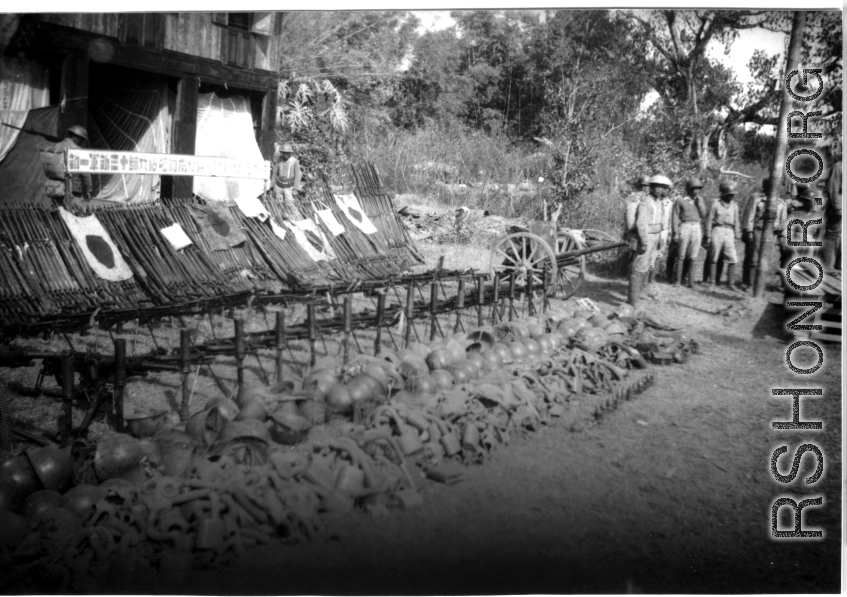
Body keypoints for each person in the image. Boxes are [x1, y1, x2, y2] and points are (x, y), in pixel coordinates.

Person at [627, 175, 670, 307]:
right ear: (650, 187)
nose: (659, 190)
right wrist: (644, 241)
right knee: (639, 268)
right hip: (646, 236)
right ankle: (632, 301)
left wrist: (661, 241)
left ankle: (638, 296)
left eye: (662, 187)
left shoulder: (660, 202)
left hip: (656, 237)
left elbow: (662, 222)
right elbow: (641, 223)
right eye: (656, 186)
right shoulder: (645, 201)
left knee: (647, 266)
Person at [741, 178, 788, 290]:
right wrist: (749, 231)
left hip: (772, 234)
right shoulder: (757, 199)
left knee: (766, 260)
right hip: (758, 230)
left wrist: (781, 235)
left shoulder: (781, 203)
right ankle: (750, 284)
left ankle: (760, 284)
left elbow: (784, 221)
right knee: (754, 259)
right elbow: (750, 216)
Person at [704, 180, 742, 289]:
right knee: (714, 257)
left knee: (733, 258)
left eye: (732, 195)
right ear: (723, 194)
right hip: (717, 230)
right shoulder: (715, 204)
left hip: (729, 231)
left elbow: (737, 221)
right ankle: (712, 283)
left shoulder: (734, 205)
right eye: (729, 195)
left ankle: (731, 284)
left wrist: (737, 234)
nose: (731, 197)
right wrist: (708, 236)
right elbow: (709, 220)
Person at [671, 178, 707, 287]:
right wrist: (675, 232)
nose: (696, 191)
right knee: (681, 255)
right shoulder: (680, 199)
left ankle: (690, 282)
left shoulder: (700, 200)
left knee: (693, 255)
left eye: (698, 189)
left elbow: (704, 215)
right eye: (693, 189)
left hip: (696, 227)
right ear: (688, 189)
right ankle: (677, 280)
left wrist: (699, 204)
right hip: (684, 226)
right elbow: (675, 216)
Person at [47, 125, 93, 203]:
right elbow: (85, 173)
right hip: (72, 188)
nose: (82, 142)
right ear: (77, 138)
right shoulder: (78, 150)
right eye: (82, 139)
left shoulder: (56, 146)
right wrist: (89, 189)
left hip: (56, 187)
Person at [271, 143, 303, 218]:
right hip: (279, 186)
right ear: (281, 152)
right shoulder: (279, 161)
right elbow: (274, 173)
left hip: (289, 186)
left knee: (289, 202)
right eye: (284, 153)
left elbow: (298, 176)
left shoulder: (294, 162)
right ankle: (284, 217)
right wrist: (272, 186)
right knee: (279, 202)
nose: (286, 155)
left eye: (288, 153)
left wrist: (296, 188)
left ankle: (298, 218)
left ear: (290, 153)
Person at [821, 156, 841, 269]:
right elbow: (833, 187)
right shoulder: (839, 166)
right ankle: (825, 265)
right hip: (838, 204)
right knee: (832, 234)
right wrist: (838, 207)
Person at [624, 175, 650, 253]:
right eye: (644, 186)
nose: (646, 188)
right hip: (634, 232)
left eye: (647, 186)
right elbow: (630, 221)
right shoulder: (634, 198)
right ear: (640, 187)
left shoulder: (647, 198)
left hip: (643, 231)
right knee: (632, 255)